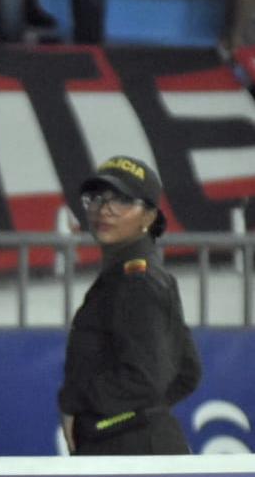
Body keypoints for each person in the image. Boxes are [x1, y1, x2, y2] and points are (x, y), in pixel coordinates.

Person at [59, 155, 201, 456]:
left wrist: (79, 403)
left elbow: (146, 377)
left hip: (129, 451)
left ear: (148, 217)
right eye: (97, 197)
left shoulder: (137, 280)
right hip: (137, 445)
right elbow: (188, 371)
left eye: (122, 200)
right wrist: (145, 414)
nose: (104, 209)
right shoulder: (139, 275)